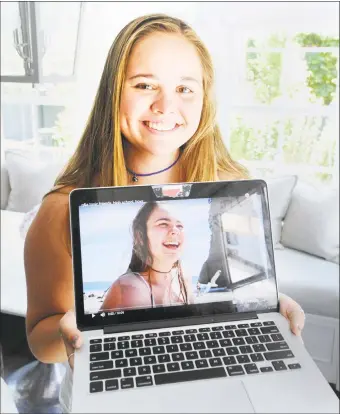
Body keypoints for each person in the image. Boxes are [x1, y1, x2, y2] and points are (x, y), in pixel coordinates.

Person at [24, 13, 305, 412]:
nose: (165, 105)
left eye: (185, 89)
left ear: (204, 97)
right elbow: (40, 340)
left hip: (218, 390)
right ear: (113, 93)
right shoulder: (60, 209)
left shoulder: (231, 189)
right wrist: (69, 331)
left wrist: (271, 306)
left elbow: (232, 297)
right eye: (144, 85)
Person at [100, 201, 193, 311]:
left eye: (180, 226)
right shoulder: (131, 287)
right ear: (140, 235)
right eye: (163, 224)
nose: (175, 231)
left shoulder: (182, 278)